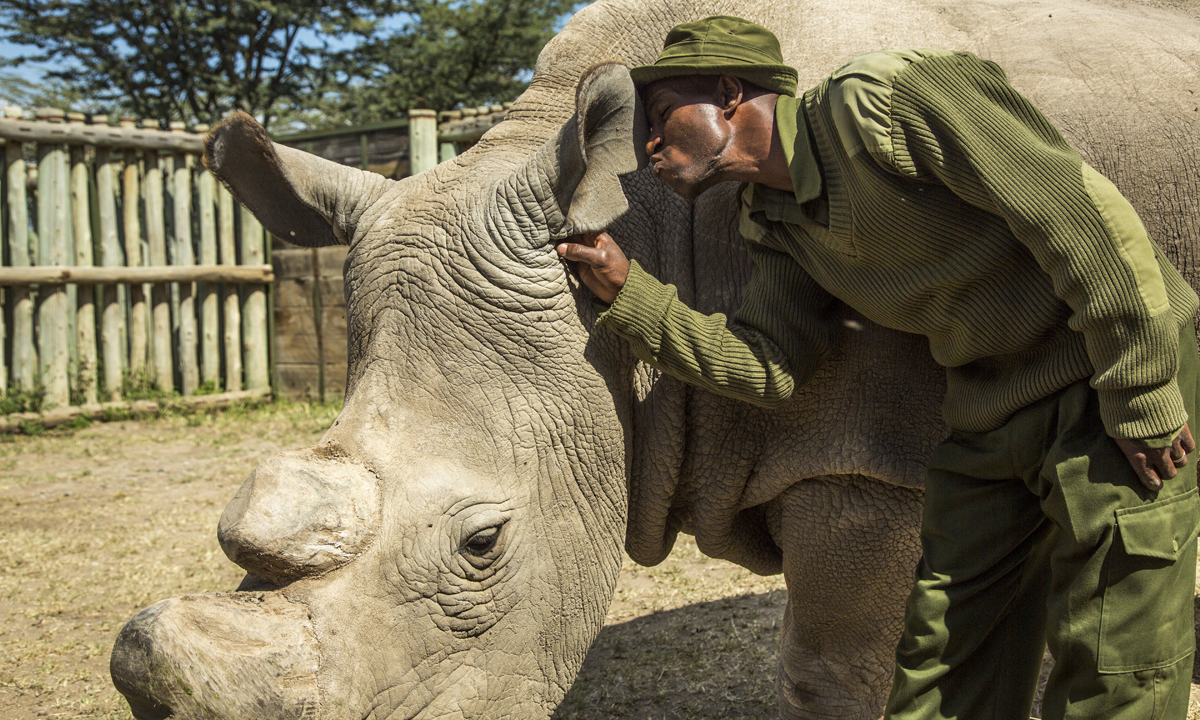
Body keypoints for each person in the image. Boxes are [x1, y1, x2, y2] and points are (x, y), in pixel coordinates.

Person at [555, 15, 1200, 720]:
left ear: (731, 91)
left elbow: (1079, 215)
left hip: (1101, 380)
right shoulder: (772, 220)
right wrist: (632, 295)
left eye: (659, 115)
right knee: (939, 656)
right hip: (988, 412)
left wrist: (1142, 395)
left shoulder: (881, 102)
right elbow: (768, 366)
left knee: (1114, 660)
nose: (648, 143)